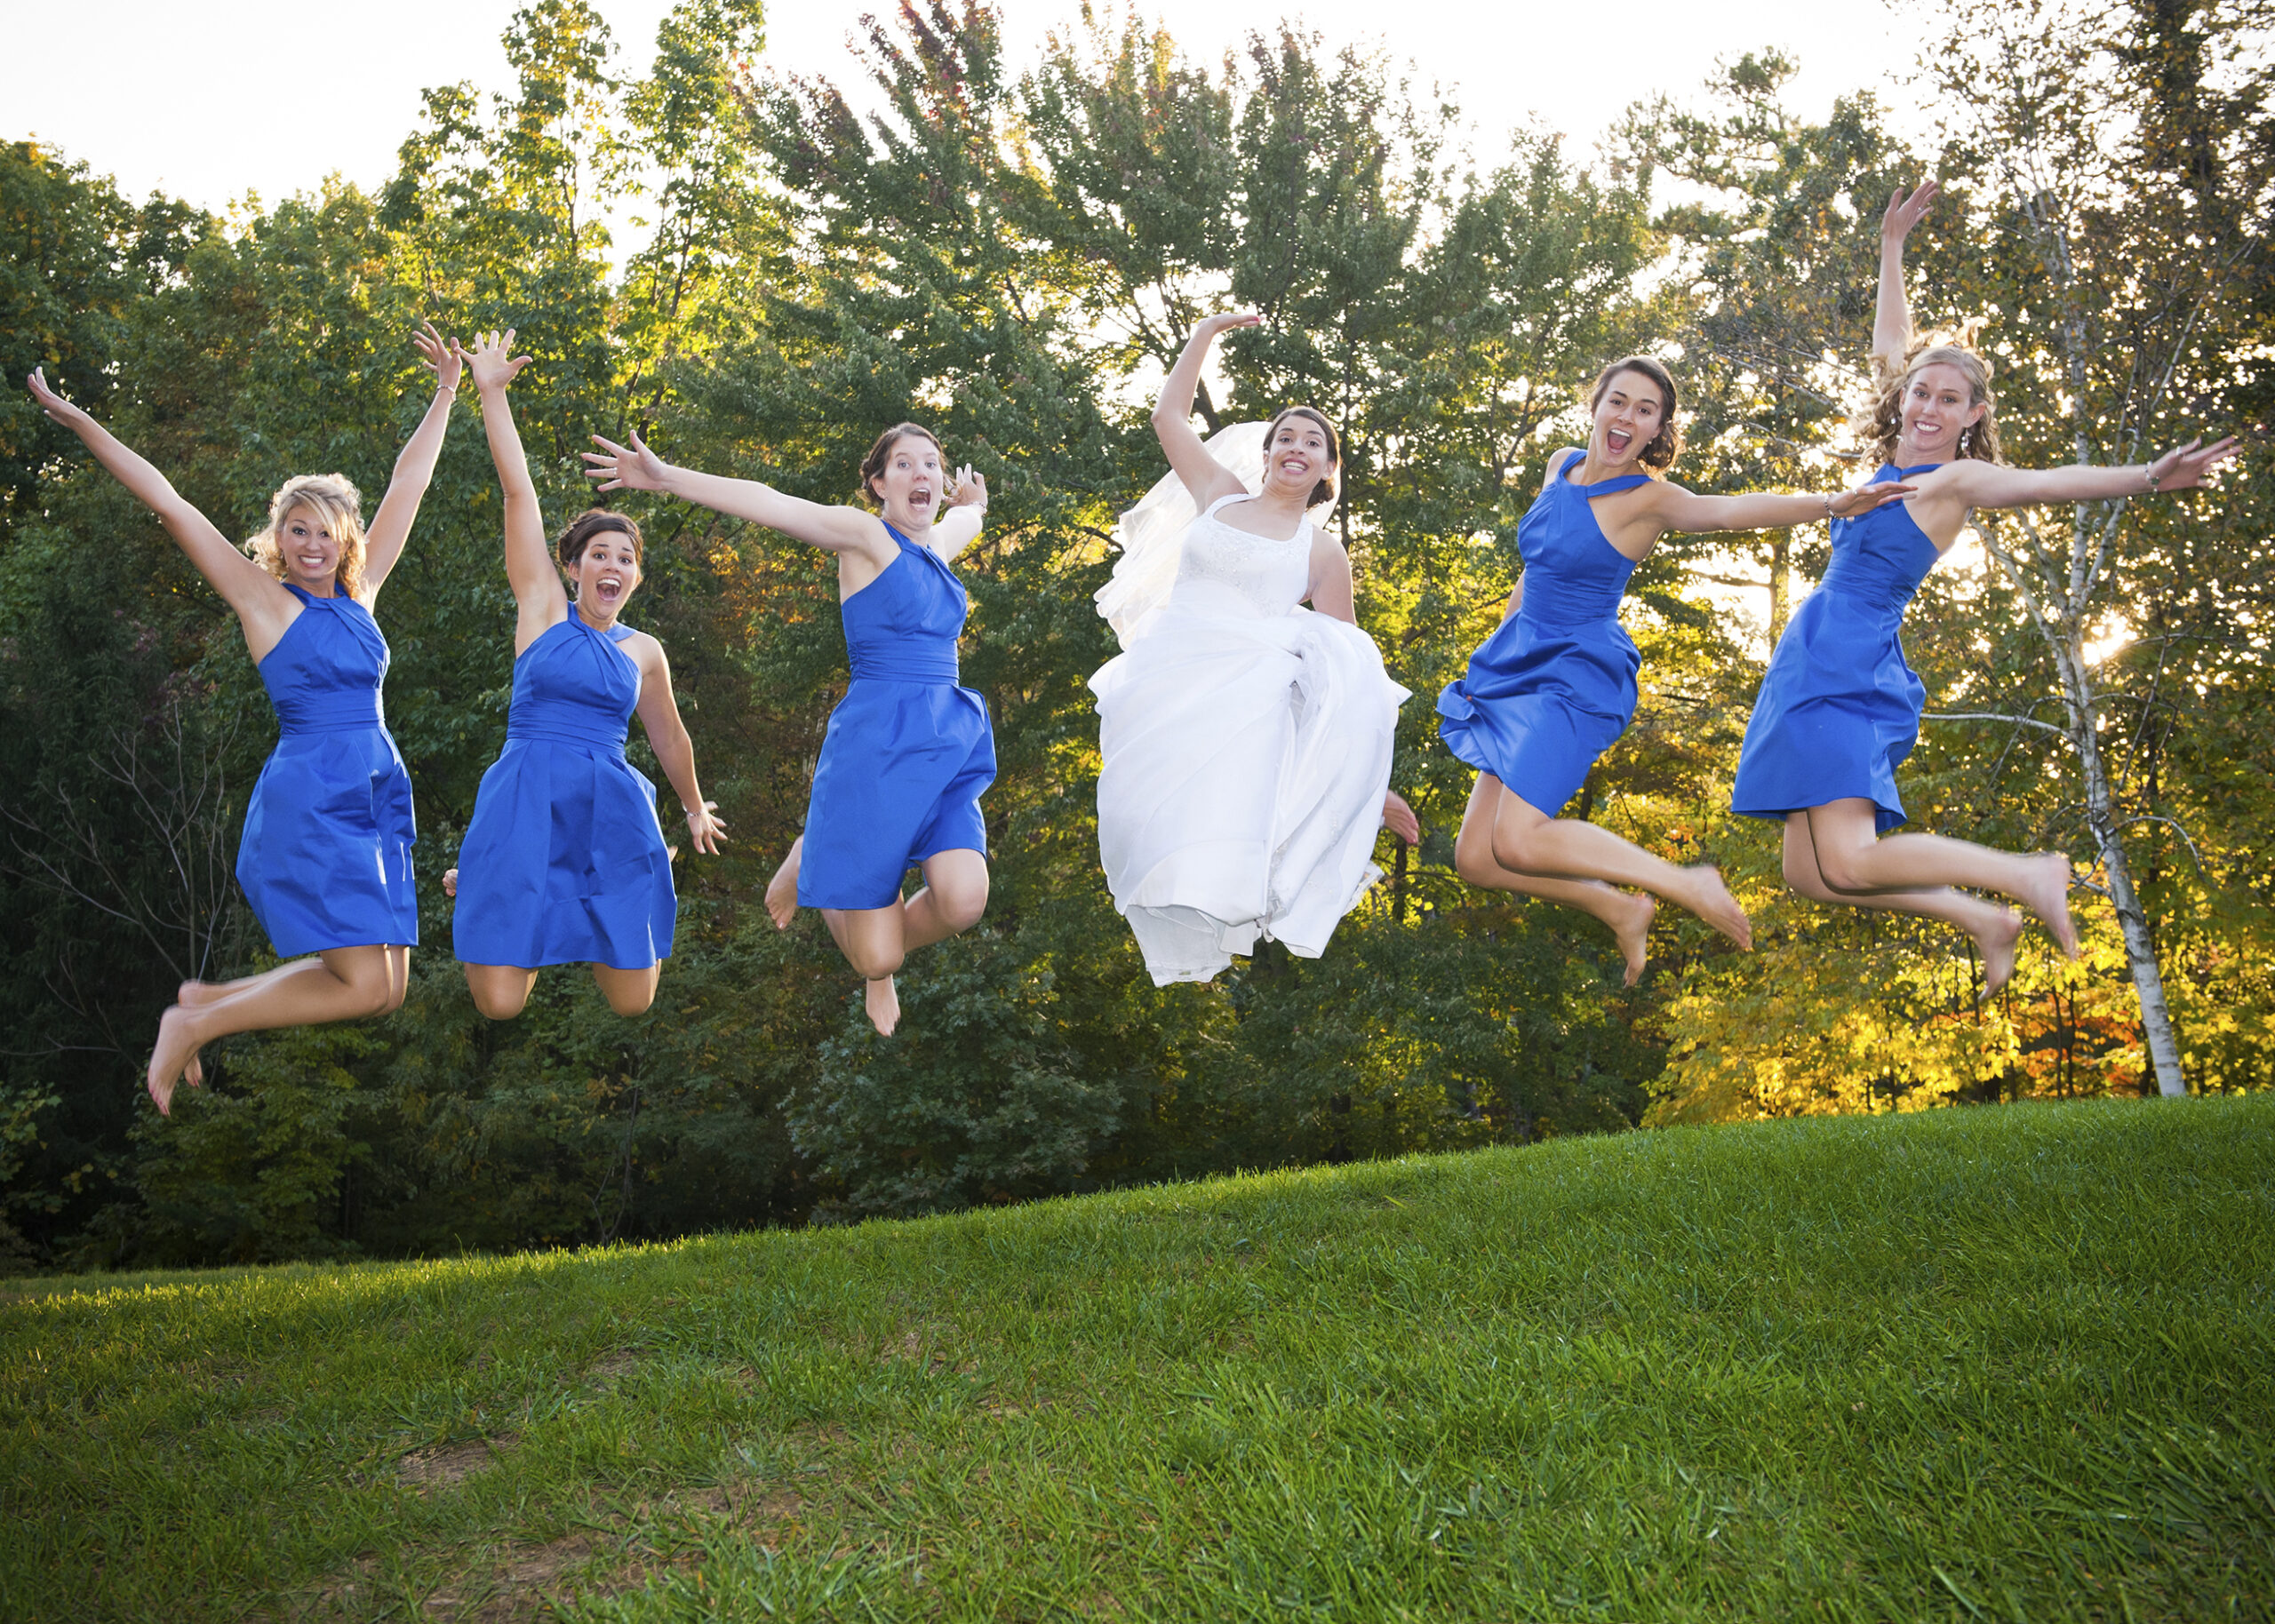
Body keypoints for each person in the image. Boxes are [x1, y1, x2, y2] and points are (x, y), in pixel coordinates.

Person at [1729, 183, 2238, 996]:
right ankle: (1982, 917)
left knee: (1853, 858)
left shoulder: (1953, 480)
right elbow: (1891, 341)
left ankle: (2025, 874)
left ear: (1972, 416)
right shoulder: (1892, 458)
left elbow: (2049, 483)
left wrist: (2147, 477)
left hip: (1849, 659)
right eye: (1922, 393)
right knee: (1814, 874)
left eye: (1949, 399)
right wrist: (1891, 247)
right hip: (1811, 653)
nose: (1929, 406)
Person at [25, 326, 463, 1112]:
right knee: (363, 984)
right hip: (313, 795)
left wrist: (445, 393)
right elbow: (169, 500)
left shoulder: (362, 599)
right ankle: (195, 1023)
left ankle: (202, 1008)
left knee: (384, 991)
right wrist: (84, 423)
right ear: (279, 539)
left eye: (326, 531)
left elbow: (409, 487)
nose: (312, 544)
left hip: (373, 793)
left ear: (346, 541)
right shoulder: (263, 602)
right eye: (297, 529)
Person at [1441, 356, 1921, 986]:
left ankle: (1681, 882)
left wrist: (1829, 502)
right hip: (1516, 664)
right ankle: (1615, 905)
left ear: (1656, 429)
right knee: (1477, 857)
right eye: (1619, 401)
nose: (1627, 418)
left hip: (1573, 675)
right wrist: (1496, 655)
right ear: (1597, 403)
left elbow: (1728, 511)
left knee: (1521, 841)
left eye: (1646, 411)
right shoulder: (1559, 465)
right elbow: (1535, 571)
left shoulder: (1649, 498)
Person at [584, 421, 992, 1037]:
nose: (922, 475)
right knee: (877, 957)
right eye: (903, 466)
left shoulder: (936, 548)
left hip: (945, 742)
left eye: (931, 464)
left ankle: (827, 864)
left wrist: (976, 502)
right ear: (879, 485)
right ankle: (819, 867)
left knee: (965, 900)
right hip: (879, 746)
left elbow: (968, 521)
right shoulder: (865, 539)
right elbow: (770, 502)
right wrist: (664, 478)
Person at [1090, 311, 1418, 986]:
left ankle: (1230, 922)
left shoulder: (1323, 554)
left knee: (1222, 835)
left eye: (1313, 442)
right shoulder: (1219, 498)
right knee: (1136, 821)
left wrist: (1371, 787)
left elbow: (1347, 681)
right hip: (1165, 684)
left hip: (1244, 707)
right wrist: (1205, 333)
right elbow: (1167, 420)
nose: (1296, 446)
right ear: (1266, 453)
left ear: (1328, 467)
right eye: (1285, 437)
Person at [451, 331, 722, 1019]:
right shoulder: (542, 611)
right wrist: (492, 393)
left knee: (636, 1002)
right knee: (500, 1006)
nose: (613, 565)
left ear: (635, 576)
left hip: (610, 810)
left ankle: (581, 889)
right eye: (599, 553)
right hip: (526, 798)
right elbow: (519, 493)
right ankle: (496, 882)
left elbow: (670, 740)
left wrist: (693, 808)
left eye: (626, 558)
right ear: (573, 568)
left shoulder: (644, 652)